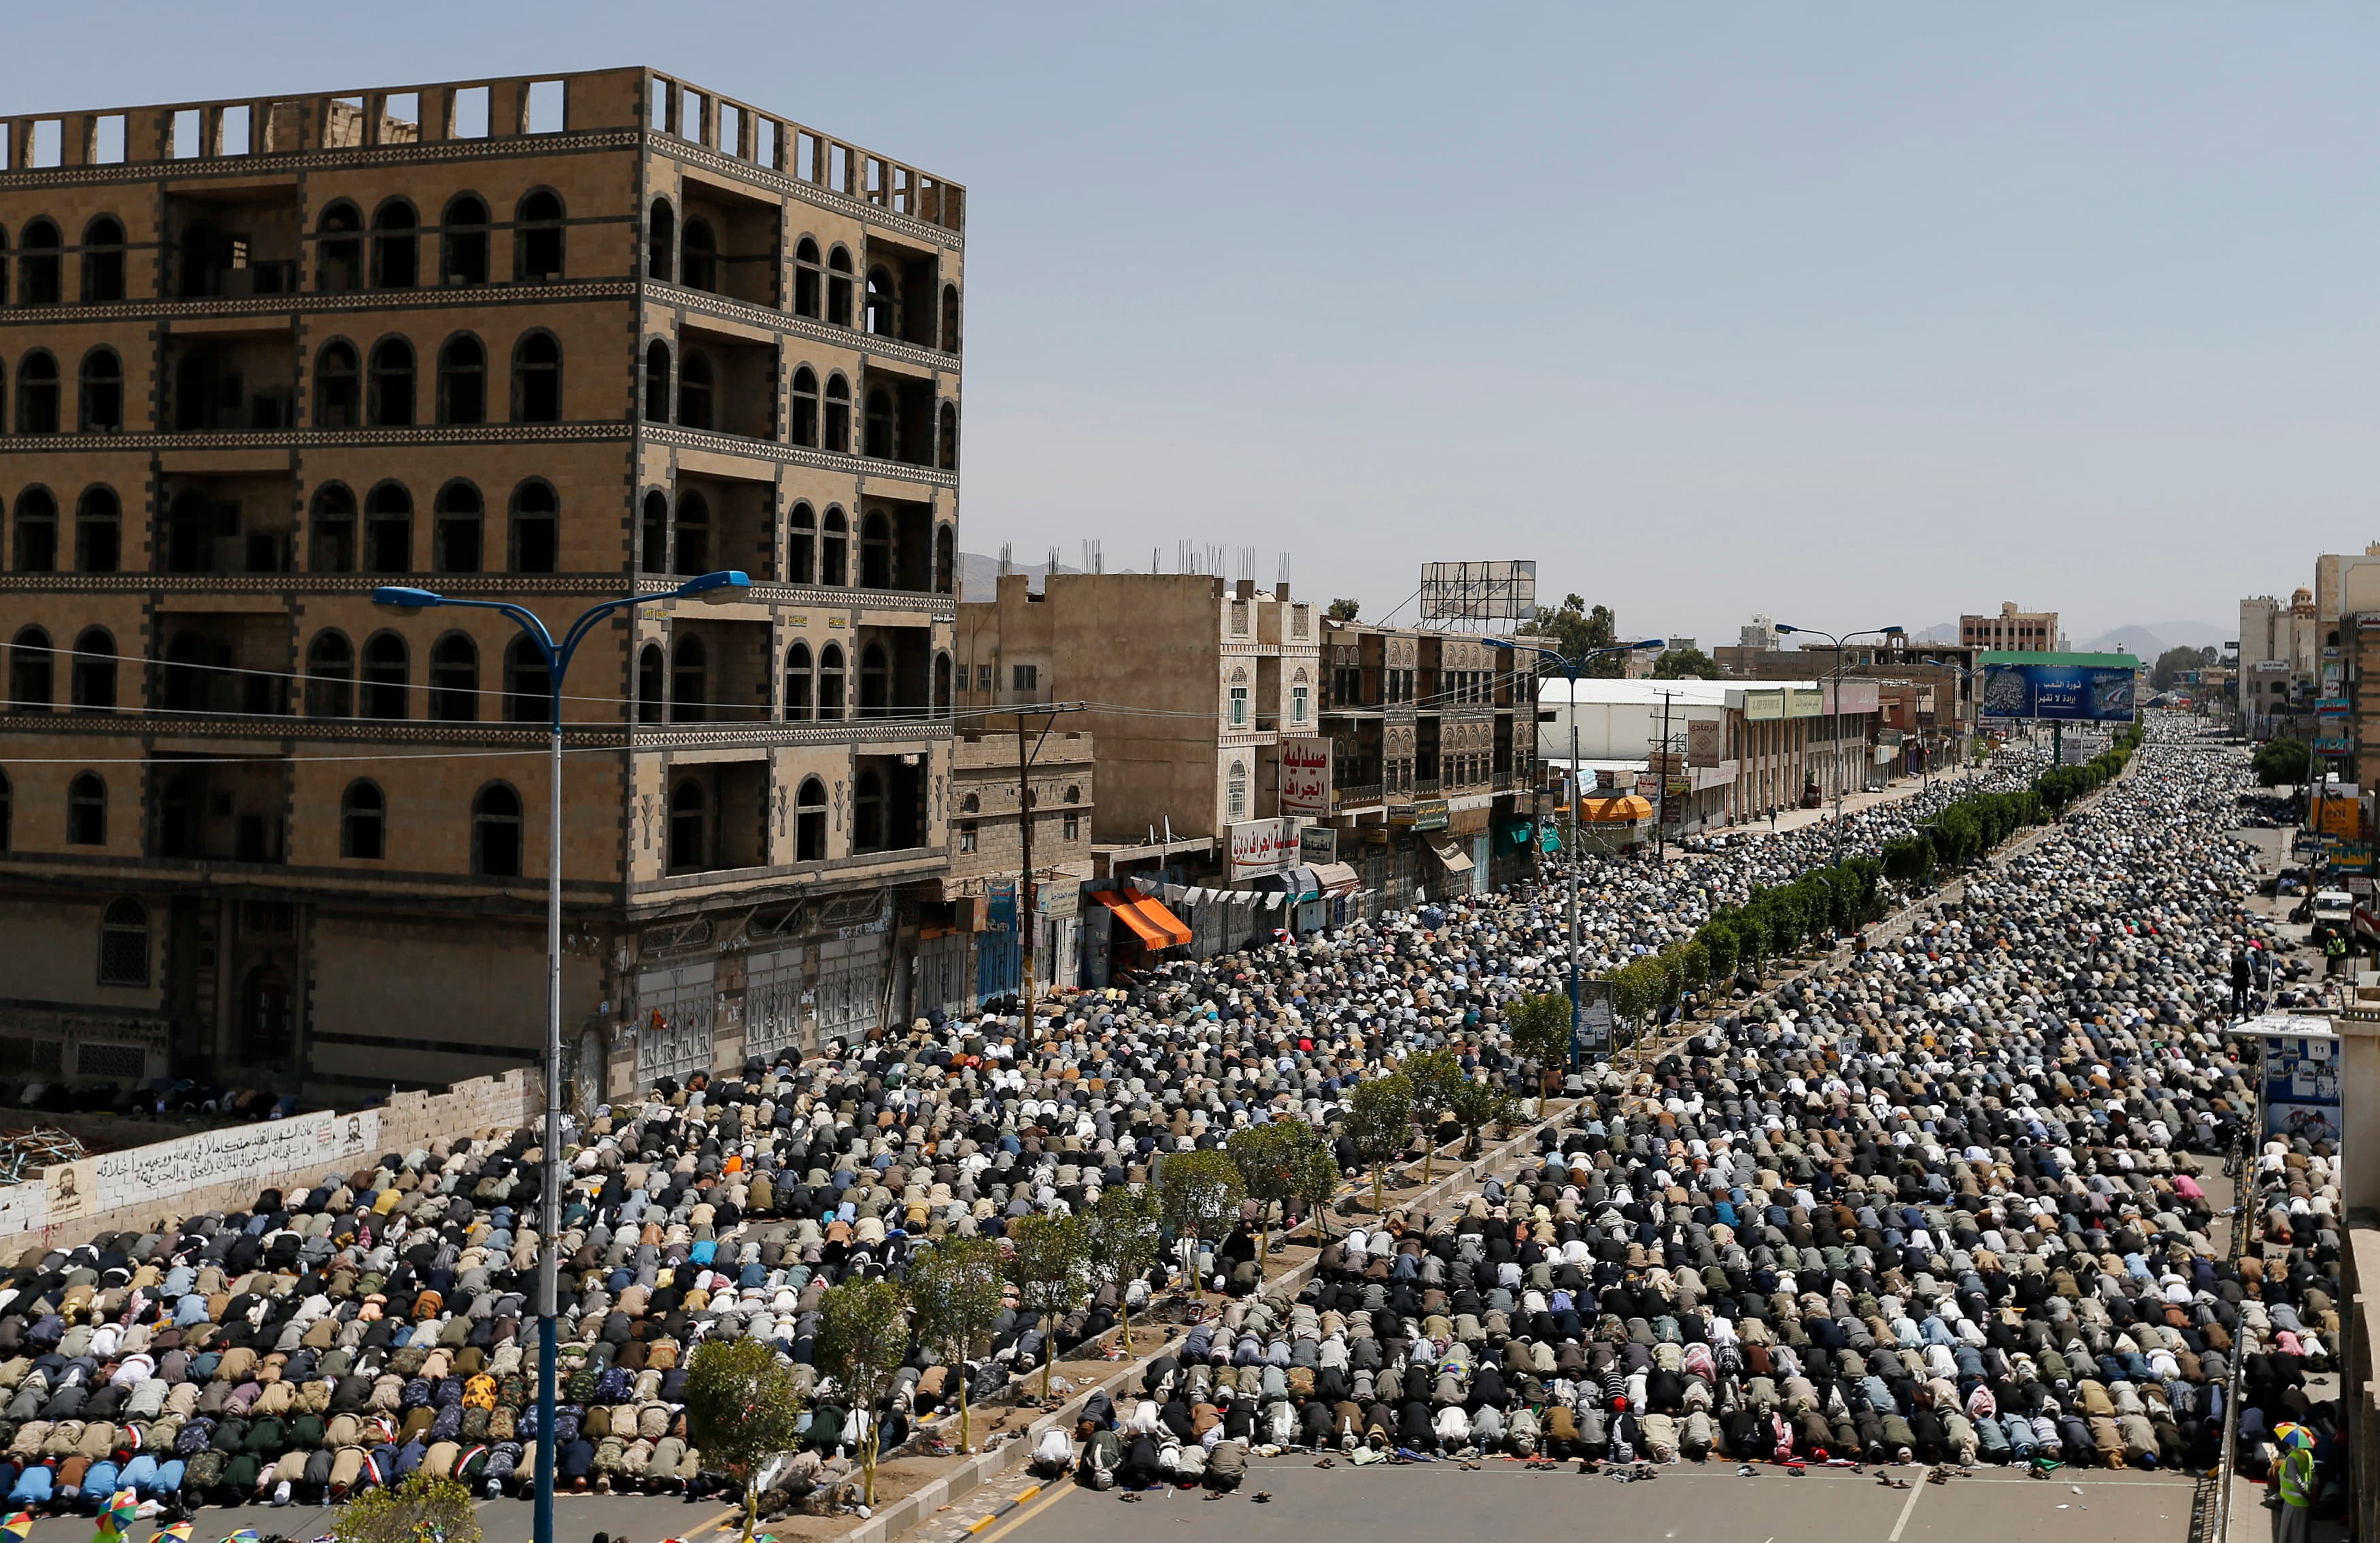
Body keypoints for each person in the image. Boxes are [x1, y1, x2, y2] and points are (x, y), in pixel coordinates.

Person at [2273, 1423, 2315, 1543]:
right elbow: (2315, 1477)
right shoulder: (2308, 1455)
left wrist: (2309, 1497)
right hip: (2303, 1502)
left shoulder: (2292, 1459)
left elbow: (2298, 1483)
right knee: (2302, 1534)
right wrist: (2312, 1498)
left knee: (2291, 1534)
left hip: (2295, 1502)